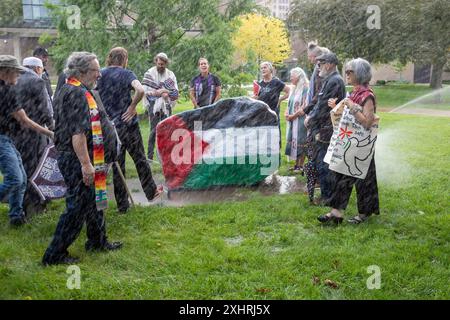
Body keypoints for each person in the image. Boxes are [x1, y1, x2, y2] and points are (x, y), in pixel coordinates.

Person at [42, 52, 122, 265]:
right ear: (82, 72)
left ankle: (97, 241)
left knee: (96, 200)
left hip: (83, 155)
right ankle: (54, 254)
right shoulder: (76, 93)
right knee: (76, 208)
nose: (99, 75)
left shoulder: (71, 88)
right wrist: (86, 165)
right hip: (77, 158)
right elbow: (77, 134)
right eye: (96, 71)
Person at [96, 47, 163, 213]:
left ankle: (122, 204)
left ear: (110, 58)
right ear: (124, 59)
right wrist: (132, 107)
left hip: (111, 127)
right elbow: (140, 90)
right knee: (140, 159)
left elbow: (92, 94)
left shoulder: (101, 74)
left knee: (118, 165)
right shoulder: (126, 73)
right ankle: (151, 193)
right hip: (129, 125)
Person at [318, 58, 379, 225]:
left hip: (360, 145)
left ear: (359, 73)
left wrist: (351, 106)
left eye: (350, 71)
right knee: (347, 177)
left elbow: (367, 122)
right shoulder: (354, 93)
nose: (346, 74)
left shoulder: (367, 96)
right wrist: (337, 106)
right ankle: (337, 213)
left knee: (363, 181)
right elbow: (349, 117)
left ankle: (359, 213)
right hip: (351, 143)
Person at [0, 55, 54, 227]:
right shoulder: (7, 90)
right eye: (16, 73)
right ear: (5, 72)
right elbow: (24, 120)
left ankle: (16, 217)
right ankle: (18, 213)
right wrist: (50, 132)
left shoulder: (7, 89)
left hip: (8, 137)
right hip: (2, 139)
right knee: (16, 179)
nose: (19, 76)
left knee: (22, 177)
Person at [13, 57, 53, 216]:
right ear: (38, 68)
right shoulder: (37, 81)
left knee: (19, 168)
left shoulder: (14, 79)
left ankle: (18, 204)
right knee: (35, 168)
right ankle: (34, 205)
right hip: (34, 132)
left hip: (14, 131)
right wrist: (51, 127)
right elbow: (46, 109)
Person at [304, 52, 346, 205]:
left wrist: (311, 118)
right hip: (325, 128)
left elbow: (323, 107)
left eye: (320, 64)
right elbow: (320, 102)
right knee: (322, 163)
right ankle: (327, 195)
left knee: (324, 164)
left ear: (328, 64)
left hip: (327, 130)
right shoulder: (330, 80)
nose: (318, 67)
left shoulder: (334, 81)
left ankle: (327, 198)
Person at [303, 43, 330, 203]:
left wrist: (309, 113)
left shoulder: (324, 72)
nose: (310, 60)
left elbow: (319, 98)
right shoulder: (318, 69)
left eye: (311, 56)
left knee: (319, 158)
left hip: (321, 122)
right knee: (314, 157)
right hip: (316, 118)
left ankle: (323, 191)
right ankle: (317, 186)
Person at [142, 53, 179, 160]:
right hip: (153, 106)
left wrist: (163, 91)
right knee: (153, 131)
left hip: (166, 105)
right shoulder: (149, 73)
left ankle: (165, 156)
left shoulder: (170, 74)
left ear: (166, 63)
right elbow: (145, 91)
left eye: (162, 64)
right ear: (156, 62)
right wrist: (160, 92)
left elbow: (174, 92)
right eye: (159, 64)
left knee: (166, 131)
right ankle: (149, 157)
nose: (160, 66)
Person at [284, 67, 309, 174]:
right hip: (292, 119)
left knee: (301, 140)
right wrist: (286, 112)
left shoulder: (305, 88)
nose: (290, 78)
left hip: (300, 119)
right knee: (294, 140)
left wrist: (293, 116)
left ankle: (301, 165)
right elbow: (289, 102)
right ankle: (296, 165)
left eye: (292, 76)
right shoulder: (294, 88)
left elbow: (304, 106)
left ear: (298, 76)